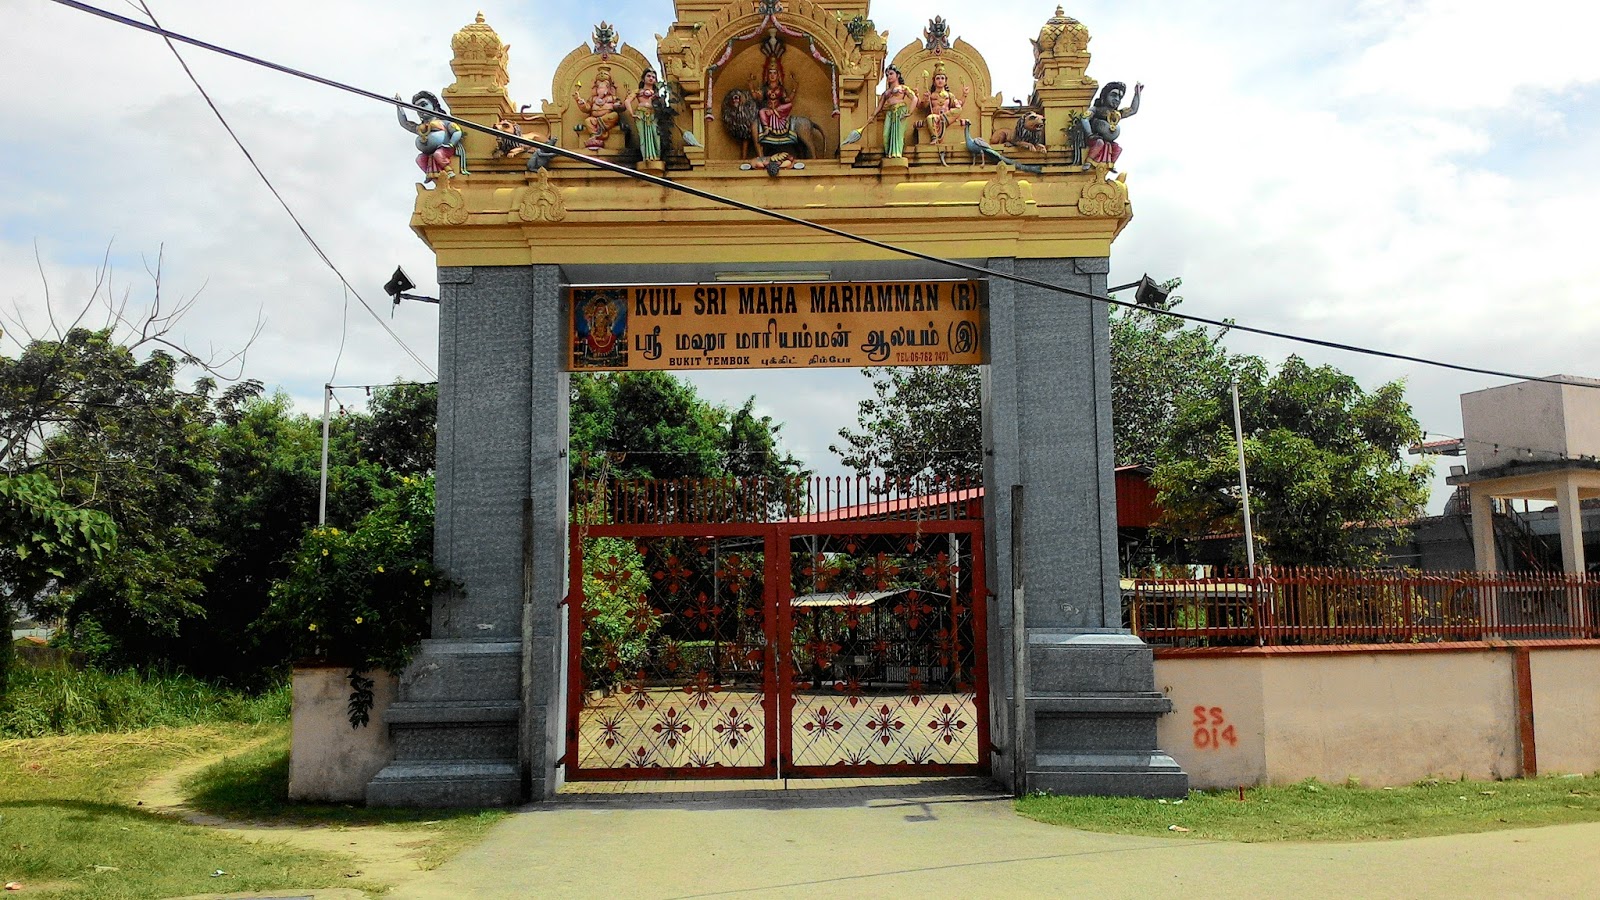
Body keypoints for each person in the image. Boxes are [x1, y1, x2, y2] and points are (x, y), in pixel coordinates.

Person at [1085, 80, 1143, 168]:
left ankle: (1109, 165)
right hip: (1094, 139)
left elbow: (1132, 110)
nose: (1117, 99)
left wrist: (1137, 94)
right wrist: (1089, 134)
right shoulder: (1096, 110)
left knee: (1117, 149)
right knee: (1099, 143)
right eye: (1113, 95)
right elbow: (1084, 118)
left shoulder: (1117, 114)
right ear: (1104, 96)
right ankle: (1088, 161)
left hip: (1108, 141)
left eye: (1120, 97)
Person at [574, 67, 621, 151]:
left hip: (606, 119)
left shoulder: (612, 98)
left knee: (615, 115)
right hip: (595, 120)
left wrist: (617, 105)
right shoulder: (593, 99)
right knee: (588, 120)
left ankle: (598, 132)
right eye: (599, 87)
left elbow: (621, 107)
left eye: (604, 87)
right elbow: (587, 108)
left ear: (608, 89)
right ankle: (594, 135)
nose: (601, 89)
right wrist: (579, 101)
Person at [921, 64, 969, 145]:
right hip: (936, 117)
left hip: (946, 116)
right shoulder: (931, 95)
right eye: (938, 78)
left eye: (942, 78)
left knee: (959, 109)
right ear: (934, 81)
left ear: (946, 81)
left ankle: (943, 119)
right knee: (930, 118)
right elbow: (924, 106)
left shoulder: (949, 95)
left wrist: (964, 95)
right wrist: (926, 99)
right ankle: (935, 137)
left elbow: (959, 104)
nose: (940, 80)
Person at [875, 65, 912, 158]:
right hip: (890, 113)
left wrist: (910, 112)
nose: (889, 76)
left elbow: (914, 98)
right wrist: (872, 116)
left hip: (900, 111)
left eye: (891, 74)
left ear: (897, 75)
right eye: (887, 75)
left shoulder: (903, 88)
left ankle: (897, 153)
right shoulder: (886, 92)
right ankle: (889, 153)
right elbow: (879, 106)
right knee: (886, 135)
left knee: (898, 134)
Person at [627, 69, 663, 162]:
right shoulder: (638, 91)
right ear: (643, 78)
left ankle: (656, 156)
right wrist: (632, 114)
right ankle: (646, 157)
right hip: (641, 114)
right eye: (648, 76)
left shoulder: (656, 93)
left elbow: (661, 106)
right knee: (643, 136)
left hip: (653, 115)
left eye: (653, 77)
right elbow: (627, 101)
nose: (651, 78)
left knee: (655, 135)